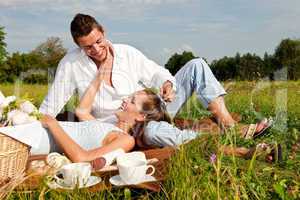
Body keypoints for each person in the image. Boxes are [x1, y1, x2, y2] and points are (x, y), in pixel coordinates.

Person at [39, 13, 268, 147]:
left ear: (104, 32)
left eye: (99, 41)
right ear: (78, 46)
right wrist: (24, 124)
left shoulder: (126, 52)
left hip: (148, 109)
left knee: (196, 65)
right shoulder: (70, 64)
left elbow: (156, 73)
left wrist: (167, 84)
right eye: (88, 47)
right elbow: (51, 107)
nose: (97, 49)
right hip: (119, 124)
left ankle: (229, 125)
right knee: (154, 132)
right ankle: (212, 137)